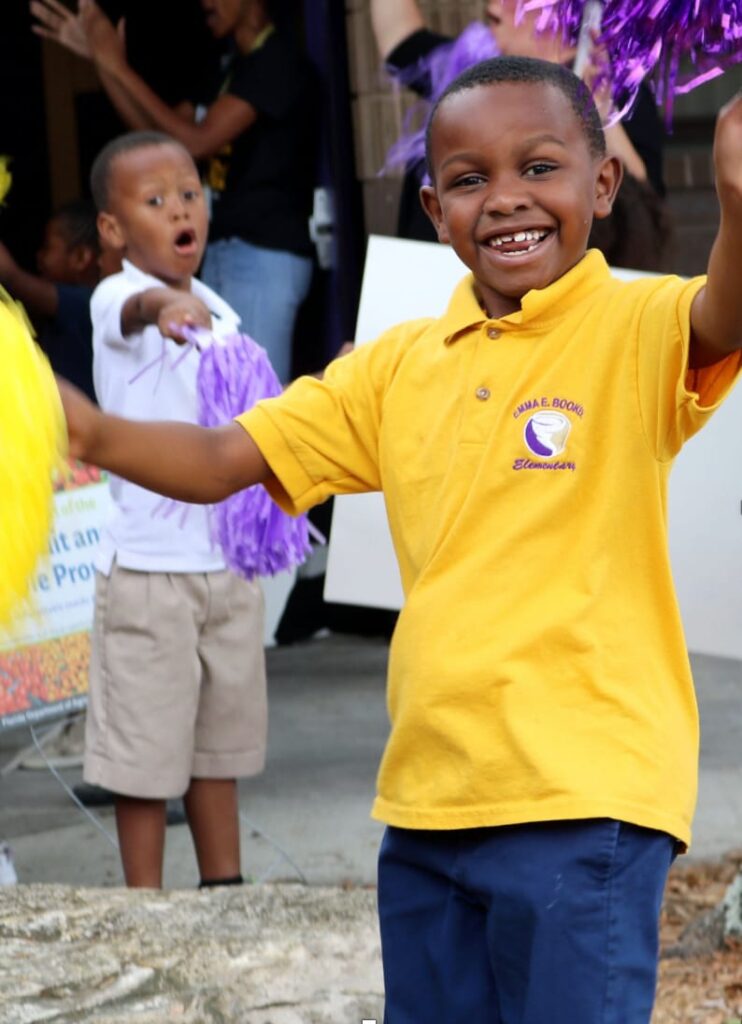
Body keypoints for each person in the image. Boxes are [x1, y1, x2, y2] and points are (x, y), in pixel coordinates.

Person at [58, 58, 742, 1019]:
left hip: (587, 801)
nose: (506, 200)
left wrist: (738, 200)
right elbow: (224, 456)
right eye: (469, 180)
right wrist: (82, 430)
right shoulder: (394, 370)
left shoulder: (636, 325)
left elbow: (724, 311)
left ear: (603, 182)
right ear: (432, 207)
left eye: (539, 168)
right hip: (426, 805)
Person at [79, 129, 267, 889]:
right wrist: (163, 308)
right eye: (154, 201)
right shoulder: (116, 296)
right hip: (150, 574)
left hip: (224, 566)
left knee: (216, 749)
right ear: (114, 229)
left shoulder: (220, 312)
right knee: (144, 755)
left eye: (189, 193)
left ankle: (225, 891)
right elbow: (138, 309)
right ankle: (144, 905)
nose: (180, 208)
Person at [32, 0, 319, 383]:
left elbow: (197, 143)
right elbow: (160, 144)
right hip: (227, 249)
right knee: (224, 397)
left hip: (261, 252)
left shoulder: (277, 60)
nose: (204, 2)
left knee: (251, 405)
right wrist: (104, 63)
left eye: (186, 195)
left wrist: (115, 64)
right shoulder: (228, 63)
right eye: (156, 200)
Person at [372, 0, 671, 269]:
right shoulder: (466, 77)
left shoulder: (619, 95)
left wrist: (599, 116)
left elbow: (641, 208)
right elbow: (400, 39)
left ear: (569, 16)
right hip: (429, 296)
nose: (493, 7)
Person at [0, 199, 100, 401]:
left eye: (47, 247)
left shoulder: (87, 303)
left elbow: (13, 278)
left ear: (81, 257)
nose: (39, 256)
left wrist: (10, 273)